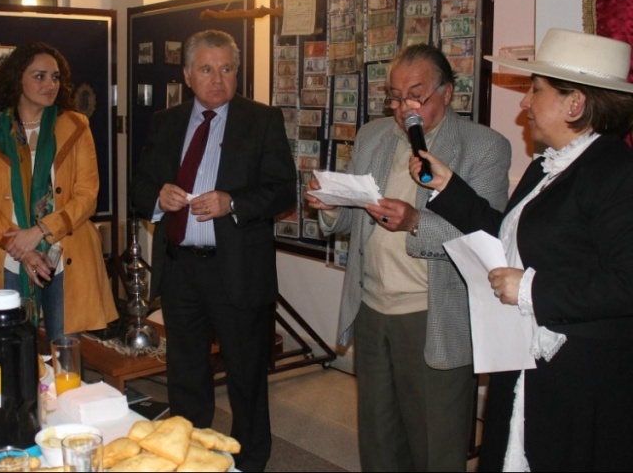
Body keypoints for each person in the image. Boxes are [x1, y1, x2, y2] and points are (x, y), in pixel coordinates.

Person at [411, 29, 633, 471]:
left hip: (578, 378)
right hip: (522, 358)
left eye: (536, 90)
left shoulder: (616, 173)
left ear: (575, 104)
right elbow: (510, 237)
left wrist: (531, 288)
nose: (525, 103)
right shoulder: (545, 167)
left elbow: (625, 284)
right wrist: (449, 186)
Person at [305, 43, 511, 472]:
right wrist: (331, 206)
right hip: (372, 308)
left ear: (447, 93)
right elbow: (354, 220)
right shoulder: (373, 136)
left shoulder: (484, 147)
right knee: (379, 440)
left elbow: (487, 233)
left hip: (432, 312)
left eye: (416, 96)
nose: (404, 109)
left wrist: (417, 222)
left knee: (435, 444)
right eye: (395, 97)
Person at [131, 29, 296, 472]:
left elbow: (284, 190)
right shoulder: (167, 123)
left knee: (245, 378)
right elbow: (138, 186)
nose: (217, 79)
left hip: (237, 270)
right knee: (185, 376)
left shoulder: (261, 120)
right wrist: (156, 197)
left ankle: (250, 462)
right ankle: (186, 456)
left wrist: (233, 202)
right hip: (182, 269)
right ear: (187, 74)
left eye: (226, 69)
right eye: (206, 69)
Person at [0, 41, 118, 343]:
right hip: (7, 253)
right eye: (39, 76)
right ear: (17, 78)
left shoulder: (76, 125)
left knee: (65, 349)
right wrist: (21, 246)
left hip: (66, 250)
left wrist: (39, 231)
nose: (50, 84)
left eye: (56, 77)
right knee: (8, 346)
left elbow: (87, 196)